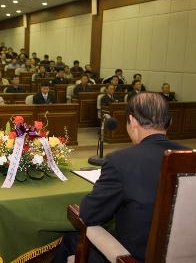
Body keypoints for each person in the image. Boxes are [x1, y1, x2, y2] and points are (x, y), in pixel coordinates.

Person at [53, 92, 187, 263]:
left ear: (132, 121)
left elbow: (90, 214)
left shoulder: (120, 161)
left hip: (133, 257)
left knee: (71, 239)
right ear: (171, 121)